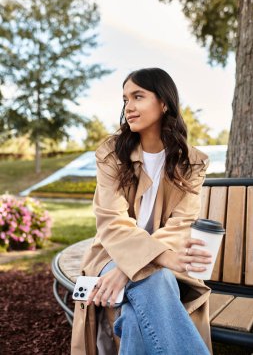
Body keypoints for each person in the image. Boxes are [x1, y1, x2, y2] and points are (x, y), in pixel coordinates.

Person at [71, 68, 213, 355]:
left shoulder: (193, 162)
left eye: (138, 96)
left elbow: (180, 225)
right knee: (155, 278)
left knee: (136, 318)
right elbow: (112, 222)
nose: (129, 107)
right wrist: (134, 262)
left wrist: (128, 269)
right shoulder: (112, 154)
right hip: (112, 254)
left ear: (164, 103)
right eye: (125, 99)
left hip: (166, 257)